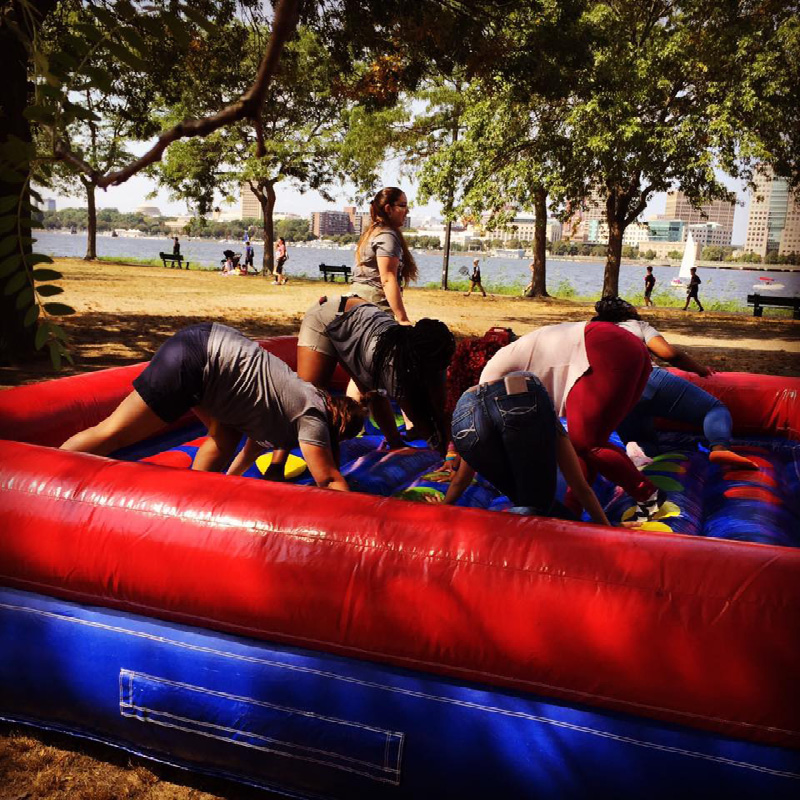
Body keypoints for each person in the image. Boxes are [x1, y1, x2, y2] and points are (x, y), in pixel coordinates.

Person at [61, 323, 366, 491]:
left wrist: (229, 485)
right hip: (200, 362)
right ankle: (46, 472)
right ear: (336, 428)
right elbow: (327, 478)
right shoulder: (312, 417)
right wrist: (354, 523)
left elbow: (251, 449)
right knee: (114, 433)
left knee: (225, 436)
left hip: (207, 342)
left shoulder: (300, 401)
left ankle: (193, 499)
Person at [478, 320, 663, 523]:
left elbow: (481, 430)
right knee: (585, 442)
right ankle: (571, 511)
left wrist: (460, 460)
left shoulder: (489, 381)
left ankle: (647, 494)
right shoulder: (508, 368)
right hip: (624, 346)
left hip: (603, 347)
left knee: (586, 442)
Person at [592, 296, 757, 469]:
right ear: (628, 311)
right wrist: (699, 369)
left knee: (642, 442)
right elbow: (669, 354)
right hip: (647, 379)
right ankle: (720, 447)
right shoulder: (636, 325)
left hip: (615, 392)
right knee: (714, 409)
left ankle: (640, 461)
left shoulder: (593, 330)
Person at [443, 373, 610, 525]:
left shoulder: (509, 441)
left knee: (528, 500)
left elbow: (461, 479)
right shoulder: (547, 423)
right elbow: (579, 486)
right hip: (517, 396)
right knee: (538, 505)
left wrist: (441, 511)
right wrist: (606, 528)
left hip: (466, 408)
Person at [294, 295, 455, 454]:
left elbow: (442, 407)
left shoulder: (437, 355)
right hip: (328, 318)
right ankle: (282, 461)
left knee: (372, 389)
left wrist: (452, 448)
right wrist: (443, 452)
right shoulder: (395, 364)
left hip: (359, 320)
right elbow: (419, 417)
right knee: (310, 400)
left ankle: (395, 443)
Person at [351, 187, 417, 324]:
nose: (407, 211)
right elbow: (387, 278)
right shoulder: (386, 236)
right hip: (375, 310)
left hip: (357, 304)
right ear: (388, 208)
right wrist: (403, 319)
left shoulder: (373, 232)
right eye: (403, 205)